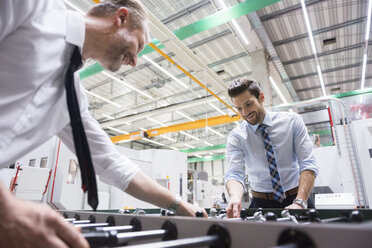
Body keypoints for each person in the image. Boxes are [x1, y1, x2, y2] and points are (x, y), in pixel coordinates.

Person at [0, 0, 207, 247]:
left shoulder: (72, 99)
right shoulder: (34, 8)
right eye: (138, 45)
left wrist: (180, 205)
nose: (135, 62)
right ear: (121, 18)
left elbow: (111, 163)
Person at [224, 78, 318, 218]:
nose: (244, 112)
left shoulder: (292, 121)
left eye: (248, 104)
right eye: (239, 108)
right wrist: (235, 198)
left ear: (261, 97)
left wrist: (300, 201)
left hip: (297, 199)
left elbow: (308, 164)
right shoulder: (237, 136)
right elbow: (235, 174)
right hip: (260, 203)